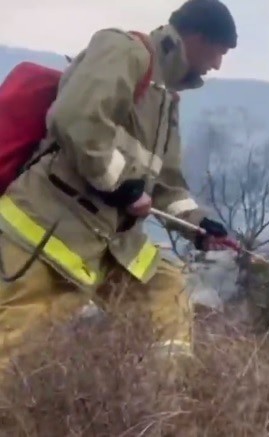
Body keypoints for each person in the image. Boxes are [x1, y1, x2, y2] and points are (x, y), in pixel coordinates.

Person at [0, 0, 238, 376]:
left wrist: (200, 225)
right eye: (220, 51)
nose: (219, 64)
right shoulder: (123, 50)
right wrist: (122, 188)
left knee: (167, 292)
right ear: (196, 37)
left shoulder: (165, 100)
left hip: (111, 243)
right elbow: (74, 119)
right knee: (14, 356)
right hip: (46, 231)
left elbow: (166, 187)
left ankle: (161, 405)